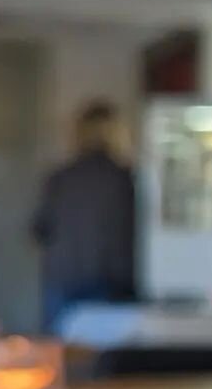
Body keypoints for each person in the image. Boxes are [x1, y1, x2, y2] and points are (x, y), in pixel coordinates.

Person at [32, 102, 138, 331]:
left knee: (62, 355)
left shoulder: (60, 178)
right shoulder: (126, 179)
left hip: (65, 277)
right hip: (112, 281)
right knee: (105, 356)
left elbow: (40, 229)